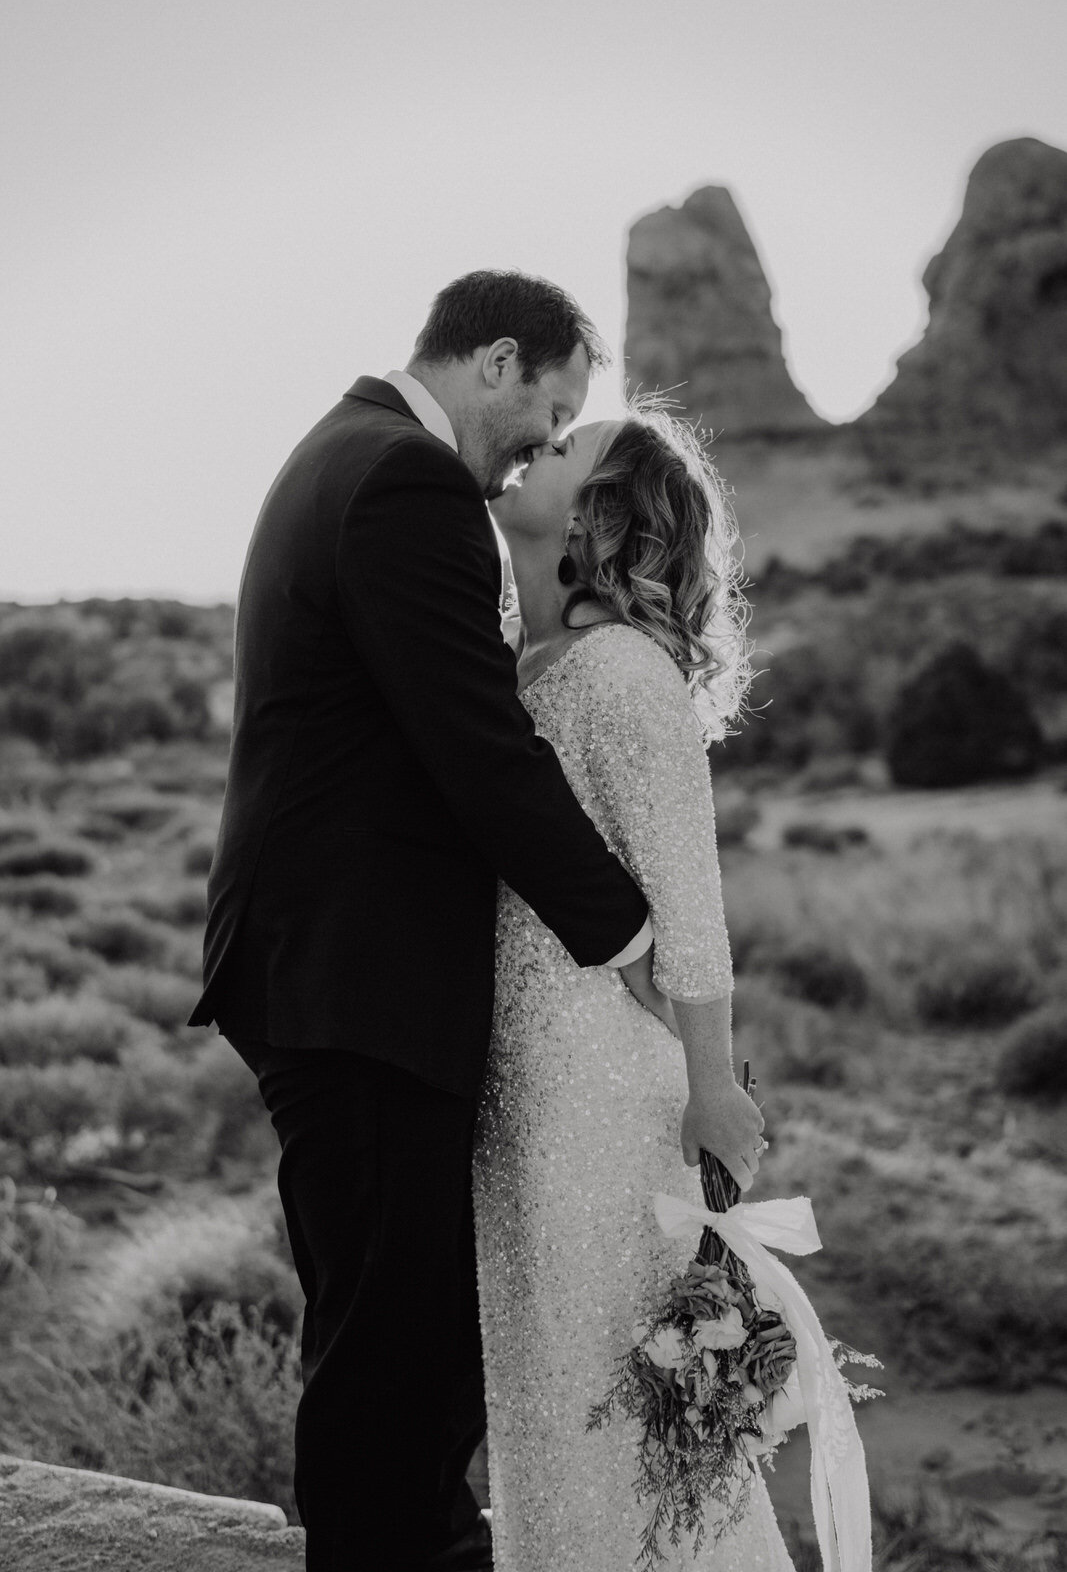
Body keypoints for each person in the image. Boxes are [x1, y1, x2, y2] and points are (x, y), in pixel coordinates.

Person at [188, 271, 759, 1572]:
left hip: (371, 990)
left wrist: (689, 1029)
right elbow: (477, 753)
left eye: (567, 437)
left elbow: (498, 764)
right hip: (358, 986)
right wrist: (627, 950)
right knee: (401, 1354)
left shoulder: (348, 456)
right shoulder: (402, 479)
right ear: (499, 361)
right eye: (550, 408)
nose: (534, 443)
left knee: (412, 1346)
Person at [475, 406, 791, 1570]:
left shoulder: (618, 671)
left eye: (562, 451)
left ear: (601, 517)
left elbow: (689, 903)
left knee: (611, 1385)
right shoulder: (520, 663)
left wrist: (710, 1090)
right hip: (520, 1085)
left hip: (604, 1096)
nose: (530, 450)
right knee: (545, 1392)